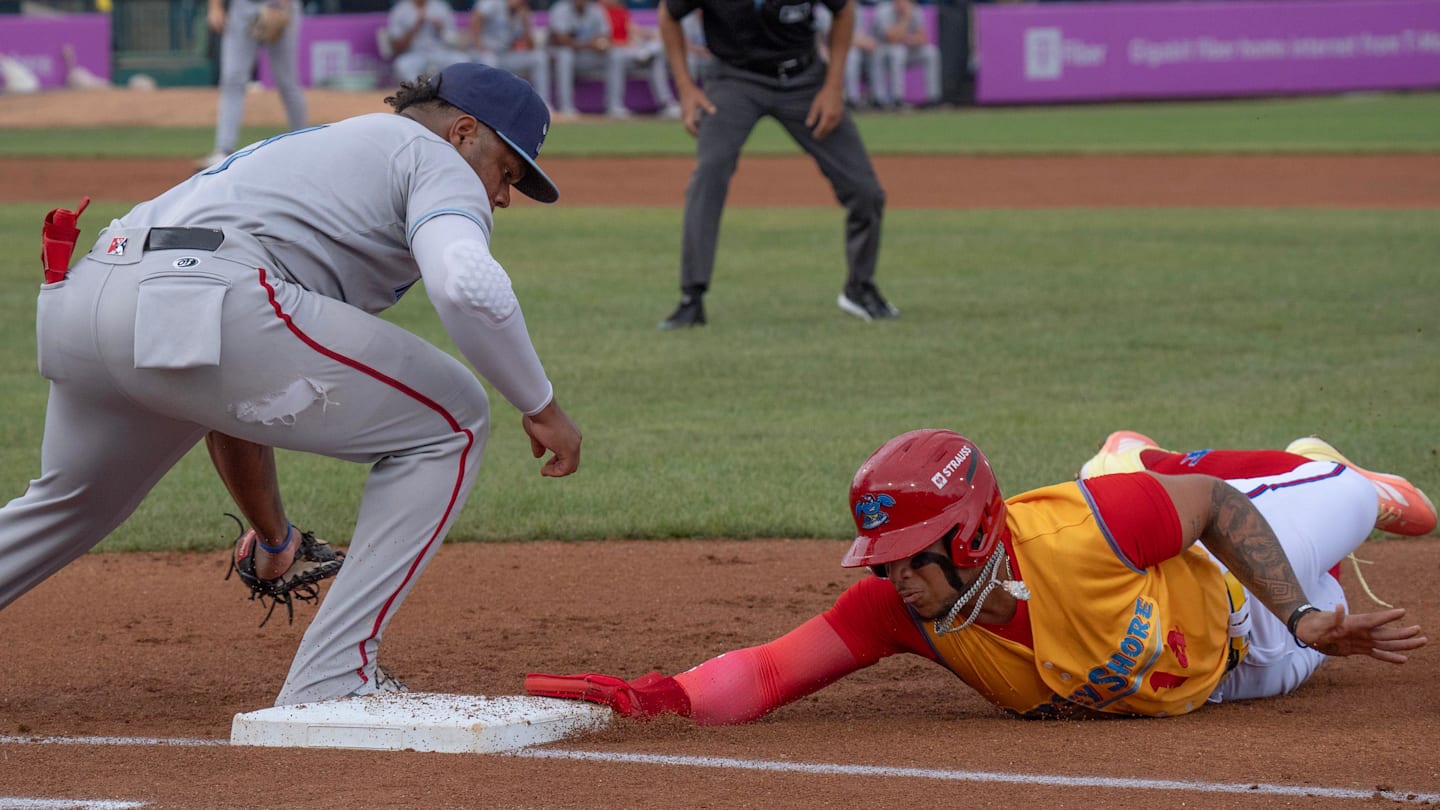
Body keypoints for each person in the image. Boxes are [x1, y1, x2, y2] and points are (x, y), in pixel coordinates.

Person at [4, 64, 582, 706]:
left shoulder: (319, 155)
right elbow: (465, 283)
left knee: (67, 505)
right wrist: (541, 403)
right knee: (454, 420)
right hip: (207, 295)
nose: (505, 195)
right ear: (466, 131)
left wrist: (275, 538)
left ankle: (319, 640)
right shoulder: (434, 157)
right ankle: (335, 679)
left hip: (88, 296)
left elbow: (232, 401)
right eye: (508, 171)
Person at [527, 429, 1431, 722]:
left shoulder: (1091, 532)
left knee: (1351, 493)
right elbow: (769, 670)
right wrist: (661, 697)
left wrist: (1300, 613)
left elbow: (1217, 508)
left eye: (906, 557)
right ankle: (1131, 453)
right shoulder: (901, 613)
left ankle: (1173, 457)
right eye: (880, 560)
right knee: (1340, 608)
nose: (891, 579)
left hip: (1229, 567)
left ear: (965, 539)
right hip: (1234, 671)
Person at [655, 0, 896, 329]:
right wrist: (685, 89)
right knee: (709, 174)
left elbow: (844, 10)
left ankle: (860, 287)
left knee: (864, 189)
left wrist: (833, 87)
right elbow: (668, 14)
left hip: (804, 79)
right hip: (733, 80)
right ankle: (691, 298)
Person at [199, 0, 308, 170]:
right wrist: (215, 7)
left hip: (281, 5)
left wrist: (280, 5)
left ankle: (304, 143)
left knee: (286, 81)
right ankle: (223, 148)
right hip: (242, 6)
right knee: (232, 79)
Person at [597, 0, 682, 118]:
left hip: (629, 51)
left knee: (655, 58)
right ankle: (614, 106)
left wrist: (653, 34)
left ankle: (666, 104)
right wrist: (627, 44)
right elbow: (603, 40)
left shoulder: (620, 10)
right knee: (617, 56)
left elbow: (632, 29)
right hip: (610, 53)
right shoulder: (597, 11)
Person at [469, 0, 553, 111]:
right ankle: (489, 107)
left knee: (539, 57)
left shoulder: (523, 13)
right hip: (482, 54)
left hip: (504, 55)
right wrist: (479, 45)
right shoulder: (493, 3)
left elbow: (530, 46)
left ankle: (543, 104)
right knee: (490, 59)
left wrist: (526, 25)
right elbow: (476, 18)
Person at [546, 0, 620, 118]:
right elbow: (560, 40)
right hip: (560, 59)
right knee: (566, 55)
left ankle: (614, 106)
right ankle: (566, 107)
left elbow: (606, 37)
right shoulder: (560, 8)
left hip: (585, 57)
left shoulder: (596, 10)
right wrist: (588, 44)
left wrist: (601, 44)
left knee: (614, 56)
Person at [813, 1, 884, 110]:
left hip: (856, 46)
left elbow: (860, 33)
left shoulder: (857, 9)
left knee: (875, 53)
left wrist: (865, 42)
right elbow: (832, 37)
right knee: (853, 56)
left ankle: (878, 98)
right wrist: (862, 42)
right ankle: (852, 99)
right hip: (829, 49)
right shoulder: (823, 10)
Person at [871, 0, 941, 109]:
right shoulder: (883, 10)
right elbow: (891, 38)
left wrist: (908, 39)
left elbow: (922, 39)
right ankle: (897, 99)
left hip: (907, 49)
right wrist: (905, 18)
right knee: (898, 52)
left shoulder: (915, 10)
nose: (903, 3)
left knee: (931, 53)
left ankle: (933, 98)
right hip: (883, 52)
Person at [386, 0, 471, 85]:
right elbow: (397, 46)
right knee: (401, 65)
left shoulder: (441, 7)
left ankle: (450, 91)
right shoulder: (400, 10)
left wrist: (440, 29)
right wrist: (415, 27)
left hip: (441, 53)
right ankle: (419, 91)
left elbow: (453, 39)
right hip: (414, 55)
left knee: (462, 60)